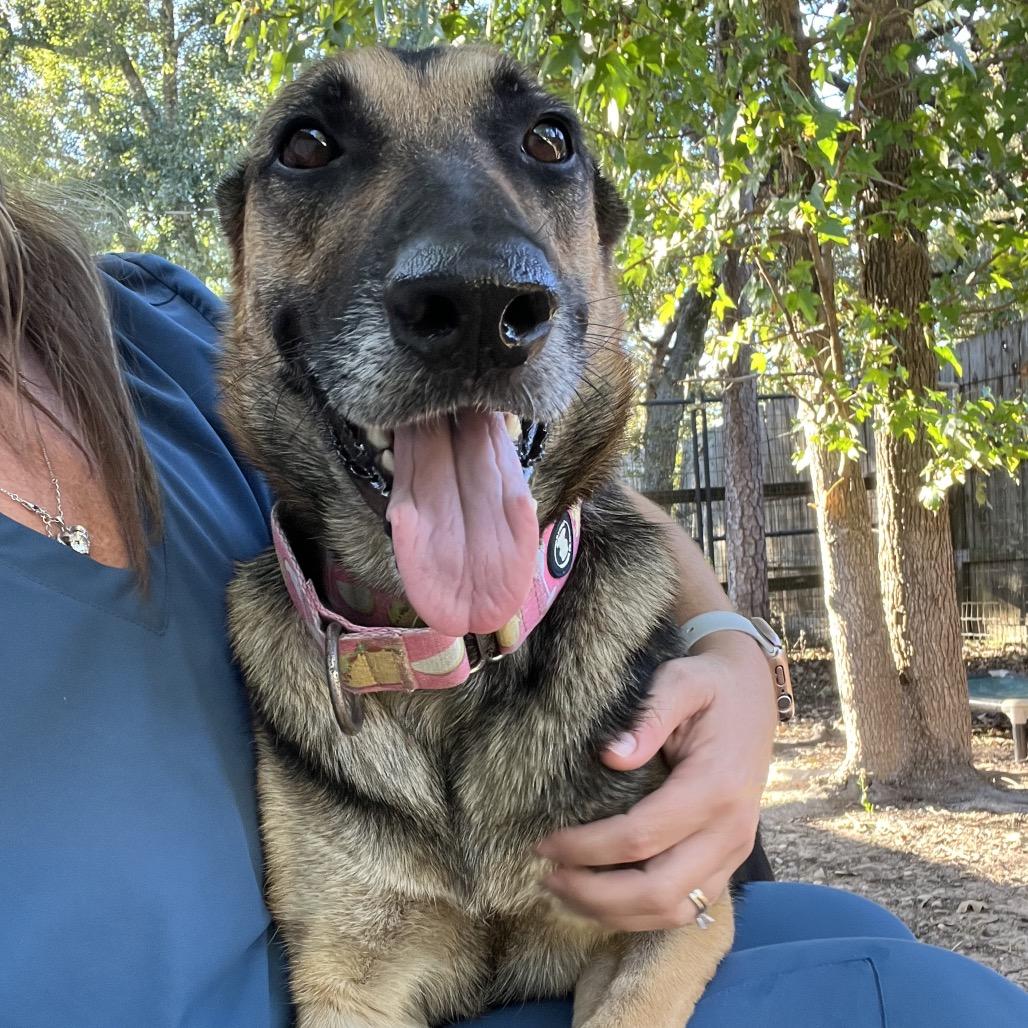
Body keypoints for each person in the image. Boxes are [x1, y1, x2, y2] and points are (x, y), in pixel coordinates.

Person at [0, 181, 1024, 1028]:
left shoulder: (157, 328)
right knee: (936, 1002)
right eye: (315, 153)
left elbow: (540, 491)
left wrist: (725, 642)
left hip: (518, 937)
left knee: (858, 933)